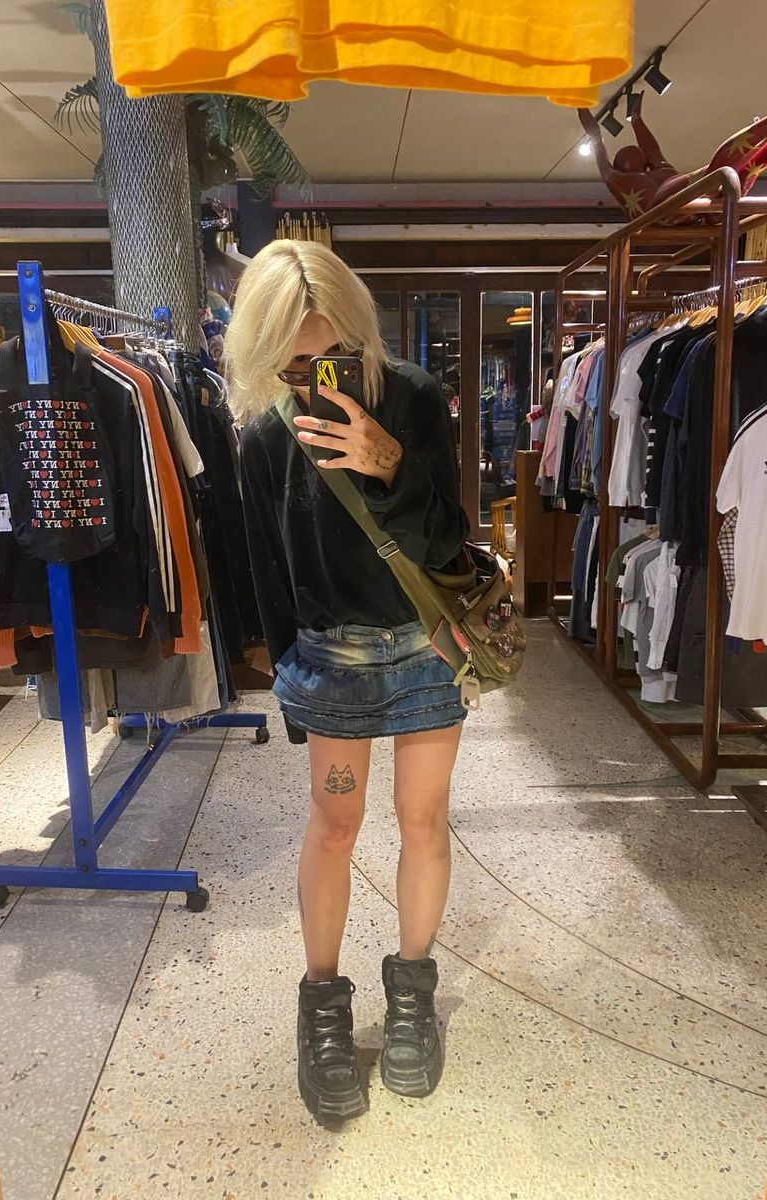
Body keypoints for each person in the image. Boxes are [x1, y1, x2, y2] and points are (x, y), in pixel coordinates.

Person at [224, 241, 470, 1124]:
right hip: (329, 660)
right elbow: (265, 575)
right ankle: (322, 1006)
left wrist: (389, 462)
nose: (316, 379)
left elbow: (449, 541)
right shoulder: (265, 438)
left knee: (423, 820)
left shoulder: (414, 399)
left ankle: (411, 995)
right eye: (294, 366)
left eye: (335, 356)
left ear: (362, 333)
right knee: (334, 827)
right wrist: (290, 683)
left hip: (425, 646)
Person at [579, 85, 767, 217]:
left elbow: (649, 149)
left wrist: (636, 119)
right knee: (723, 170)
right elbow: (598, 142)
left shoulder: (655, 169)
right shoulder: (617, 179)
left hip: (692, 206)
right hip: (663, 207)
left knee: (744, 169)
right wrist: (582, 110)